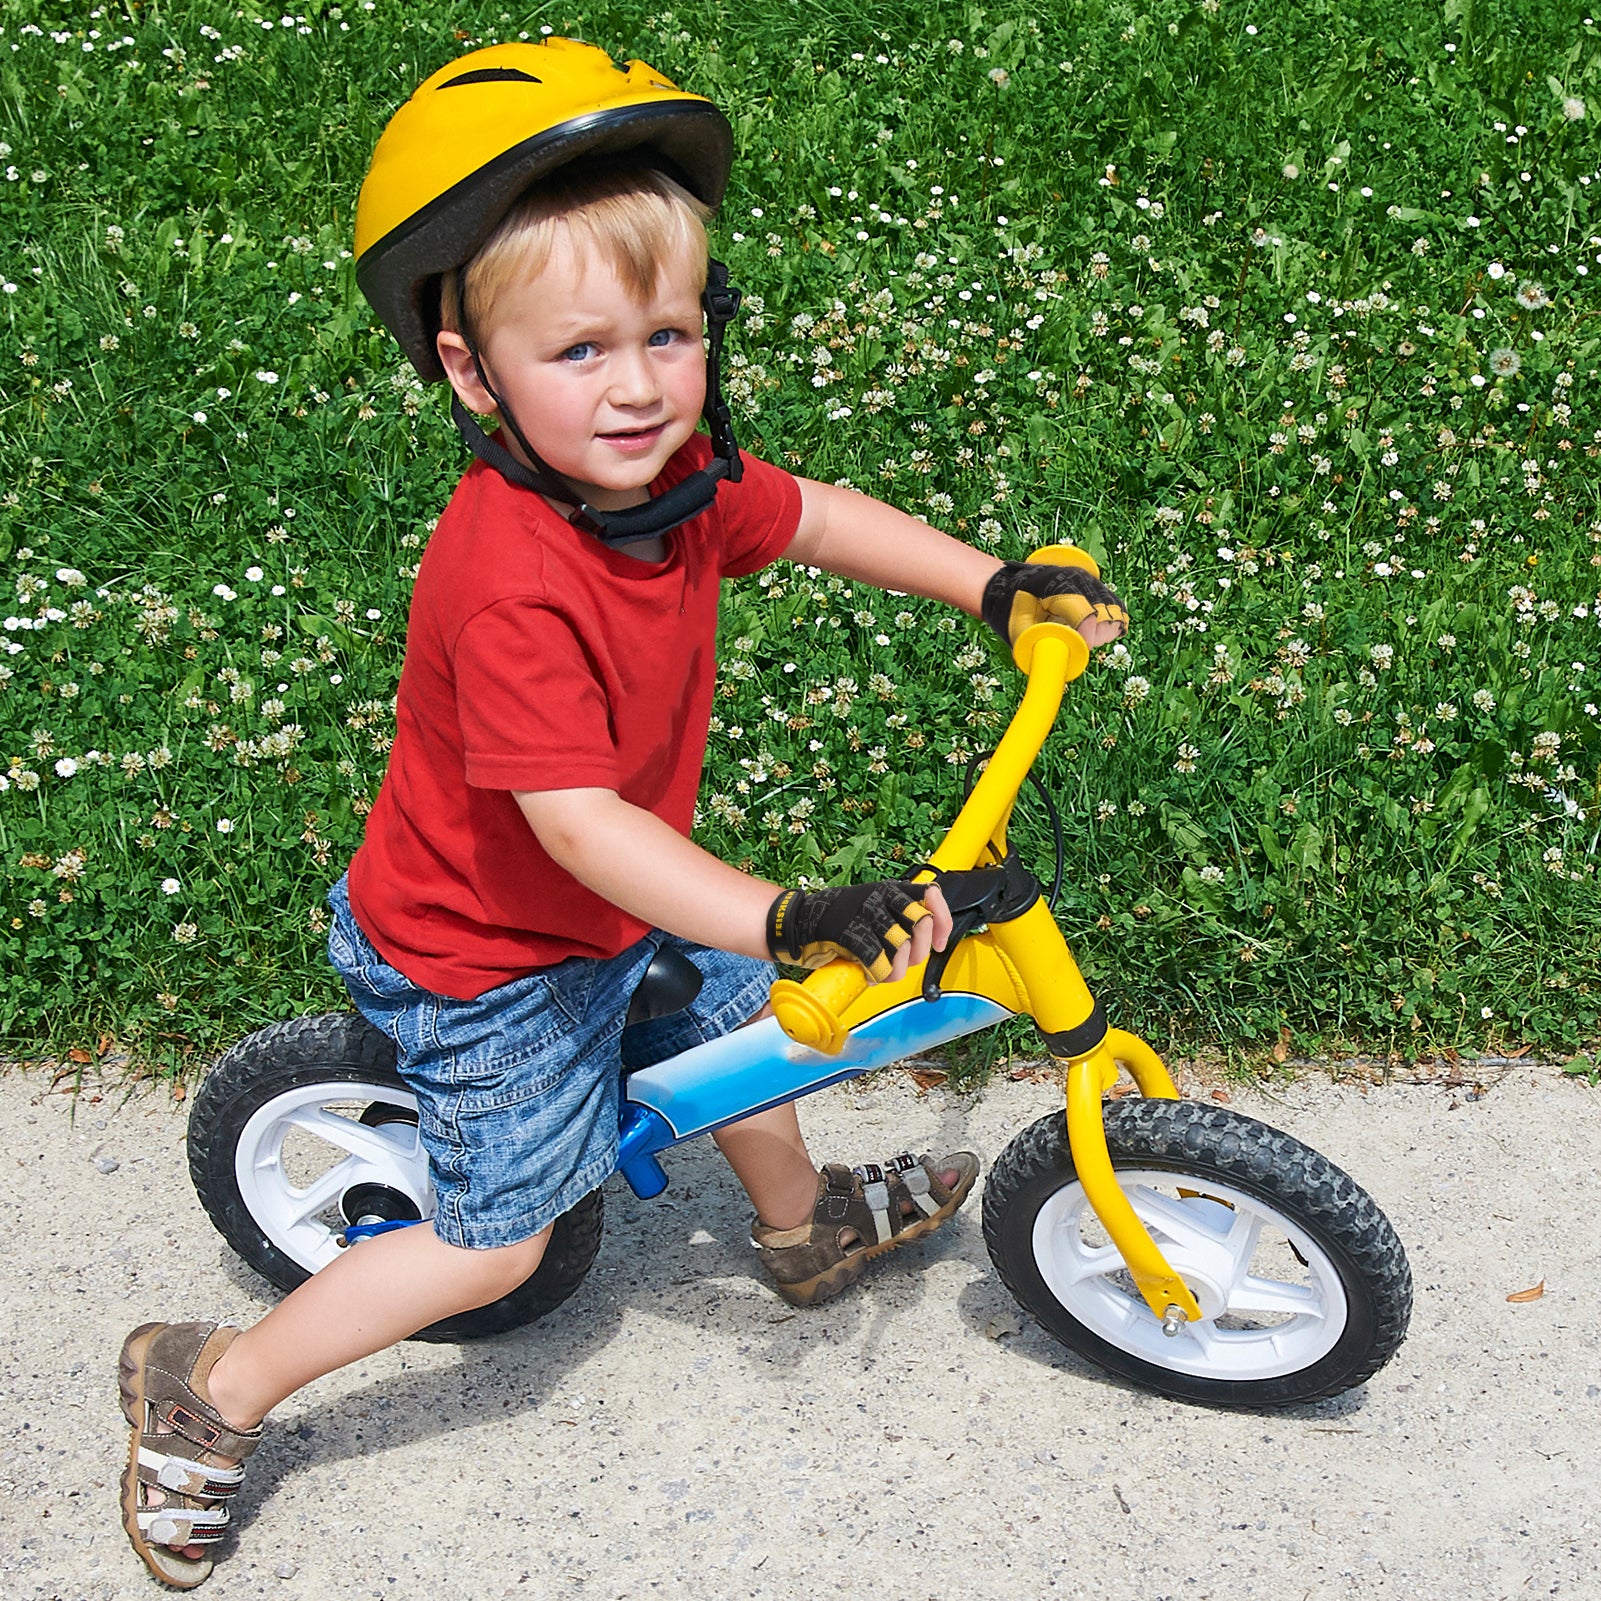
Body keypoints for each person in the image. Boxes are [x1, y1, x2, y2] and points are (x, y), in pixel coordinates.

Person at [116, 36, 1128, 1590]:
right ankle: (211, 1385)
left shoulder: (665, 485)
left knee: (757, 1024)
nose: (641, 384)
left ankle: (804, 1231)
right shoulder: (513, 576)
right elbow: (579, 824)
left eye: (667, 333)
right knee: (502, 1235)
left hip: (610, 914)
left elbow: (809, 515)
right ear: (471, 369)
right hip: (487, 957)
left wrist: (993, 584)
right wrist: (781, 908)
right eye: (580, 351)